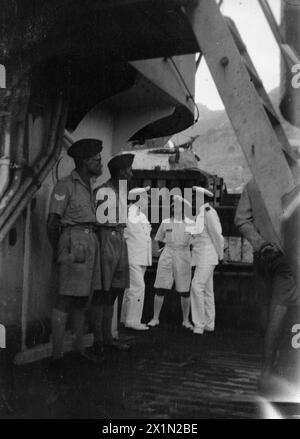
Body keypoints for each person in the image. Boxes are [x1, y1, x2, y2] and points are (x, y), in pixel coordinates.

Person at [234, 178, 299, 390]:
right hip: (288, 257)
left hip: (262, 256)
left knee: (264, 307)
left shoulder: (253, 184)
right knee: (279, 310)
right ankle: (269, 367)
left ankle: (269, 363)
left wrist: (260, 243)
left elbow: (241, 219)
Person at [47, 138, 103, 364]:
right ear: (85, 161)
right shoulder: (66, 184)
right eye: (97, 160)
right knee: (66, 298)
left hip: (90, 241)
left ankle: (78, 349)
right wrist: (58, 251)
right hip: (74, 241)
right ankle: (57, 356)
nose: (101, 164)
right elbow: (52, 222)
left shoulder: (89, 185)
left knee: (82, 300)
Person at [94, 153, 135, 351]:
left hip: (119, 238)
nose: (131, 173)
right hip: (106, 238)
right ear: (120, 172)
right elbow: (96, 222)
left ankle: (108, 337)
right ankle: (98, 340)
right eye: (128, 170)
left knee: (114, 291)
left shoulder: (121, 191)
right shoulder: (103, 191)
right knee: (103, 291)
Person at [147, 195, 194, 330]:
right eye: (174, 206)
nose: (176, 209)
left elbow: (195, 241)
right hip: (167, 253)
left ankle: (186, 320)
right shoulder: (166, 222)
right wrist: (160, 251)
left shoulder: (190, 223)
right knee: (161, 286)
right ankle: (155, 318)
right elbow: (158, 239)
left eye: (179, 207)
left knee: (185, 289)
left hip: (183, 255)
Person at [190, 186, 224, 335]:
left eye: (195, 197)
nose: (192, 200)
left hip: (207, 256)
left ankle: (199, 324)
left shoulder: (209, 213)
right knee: (207, 290)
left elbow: (217, 235)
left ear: (202, 198)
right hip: (201, 256)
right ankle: (209, 323)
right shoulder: (201, 213)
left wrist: (220, 255)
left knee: (196, 286)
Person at [121, 186, 152, 330]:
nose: (147, 200)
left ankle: (125, 317)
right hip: (132, 255)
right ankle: (132, 321)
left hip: (141, 256)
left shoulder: (141, 215)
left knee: (131, 288)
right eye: (145, 197)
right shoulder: (128, 213)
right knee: (138, 287)